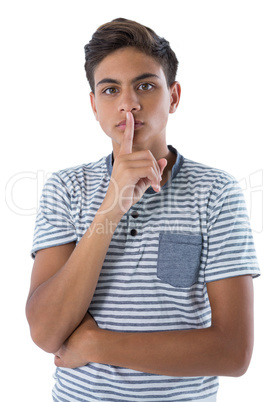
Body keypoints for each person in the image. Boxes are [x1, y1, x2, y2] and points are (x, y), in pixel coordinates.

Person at [26, 18, 260, 402]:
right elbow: (46, 333)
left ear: (175, 96)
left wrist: (94, 344)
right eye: (110, 89)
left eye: (146, 86)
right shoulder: (66, 189)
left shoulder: (217, 192)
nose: (128, 103)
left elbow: (234, 352)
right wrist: (112, 205)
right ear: (94, 105)